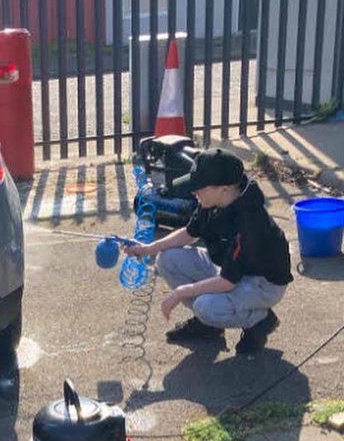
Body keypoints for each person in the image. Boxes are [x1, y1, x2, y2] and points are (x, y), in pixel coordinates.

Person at [125, 149, 292, 356]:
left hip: (262, 284)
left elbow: (227, 282)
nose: (193, 192)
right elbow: (189, 233)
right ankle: (209, 325)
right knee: (167, 258)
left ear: (224, 188)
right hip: (229, 269)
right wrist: (148, 249)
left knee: (206, 307)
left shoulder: (249, 223)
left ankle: (259, 320)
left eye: (198, 187)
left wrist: (180, 292)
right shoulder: (211, 201)